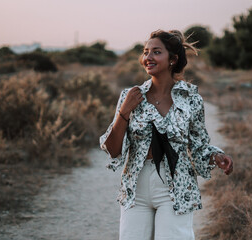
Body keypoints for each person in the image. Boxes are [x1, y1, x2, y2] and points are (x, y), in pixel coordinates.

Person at [99, 29, 233, 240]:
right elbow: (113, 150)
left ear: (173, 59)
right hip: (136, 187)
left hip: (176, 185)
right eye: (146, 52)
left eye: (156, 52)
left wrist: (215, 156)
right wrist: (124, 112)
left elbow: (198, 144)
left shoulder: (191, 98)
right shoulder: (130, 96)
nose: (148, 57)